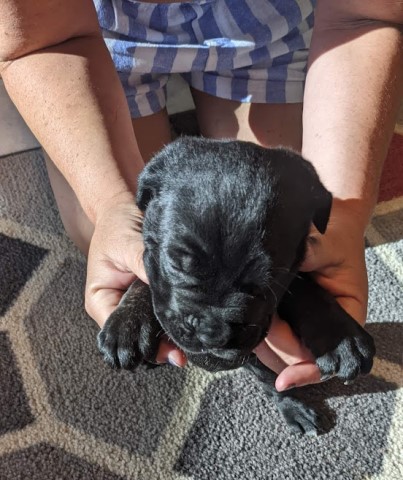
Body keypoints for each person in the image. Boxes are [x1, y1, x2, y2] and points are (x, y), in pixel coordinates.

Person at [1, 0, 402, 392]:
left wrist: (346, 217)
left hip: (259, 23)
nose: (215, 329)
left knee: (266, 215)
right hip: (97, 32)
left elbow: (364, 15)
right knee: (102, 240)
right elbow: (40, 41)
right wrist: (109, 205)